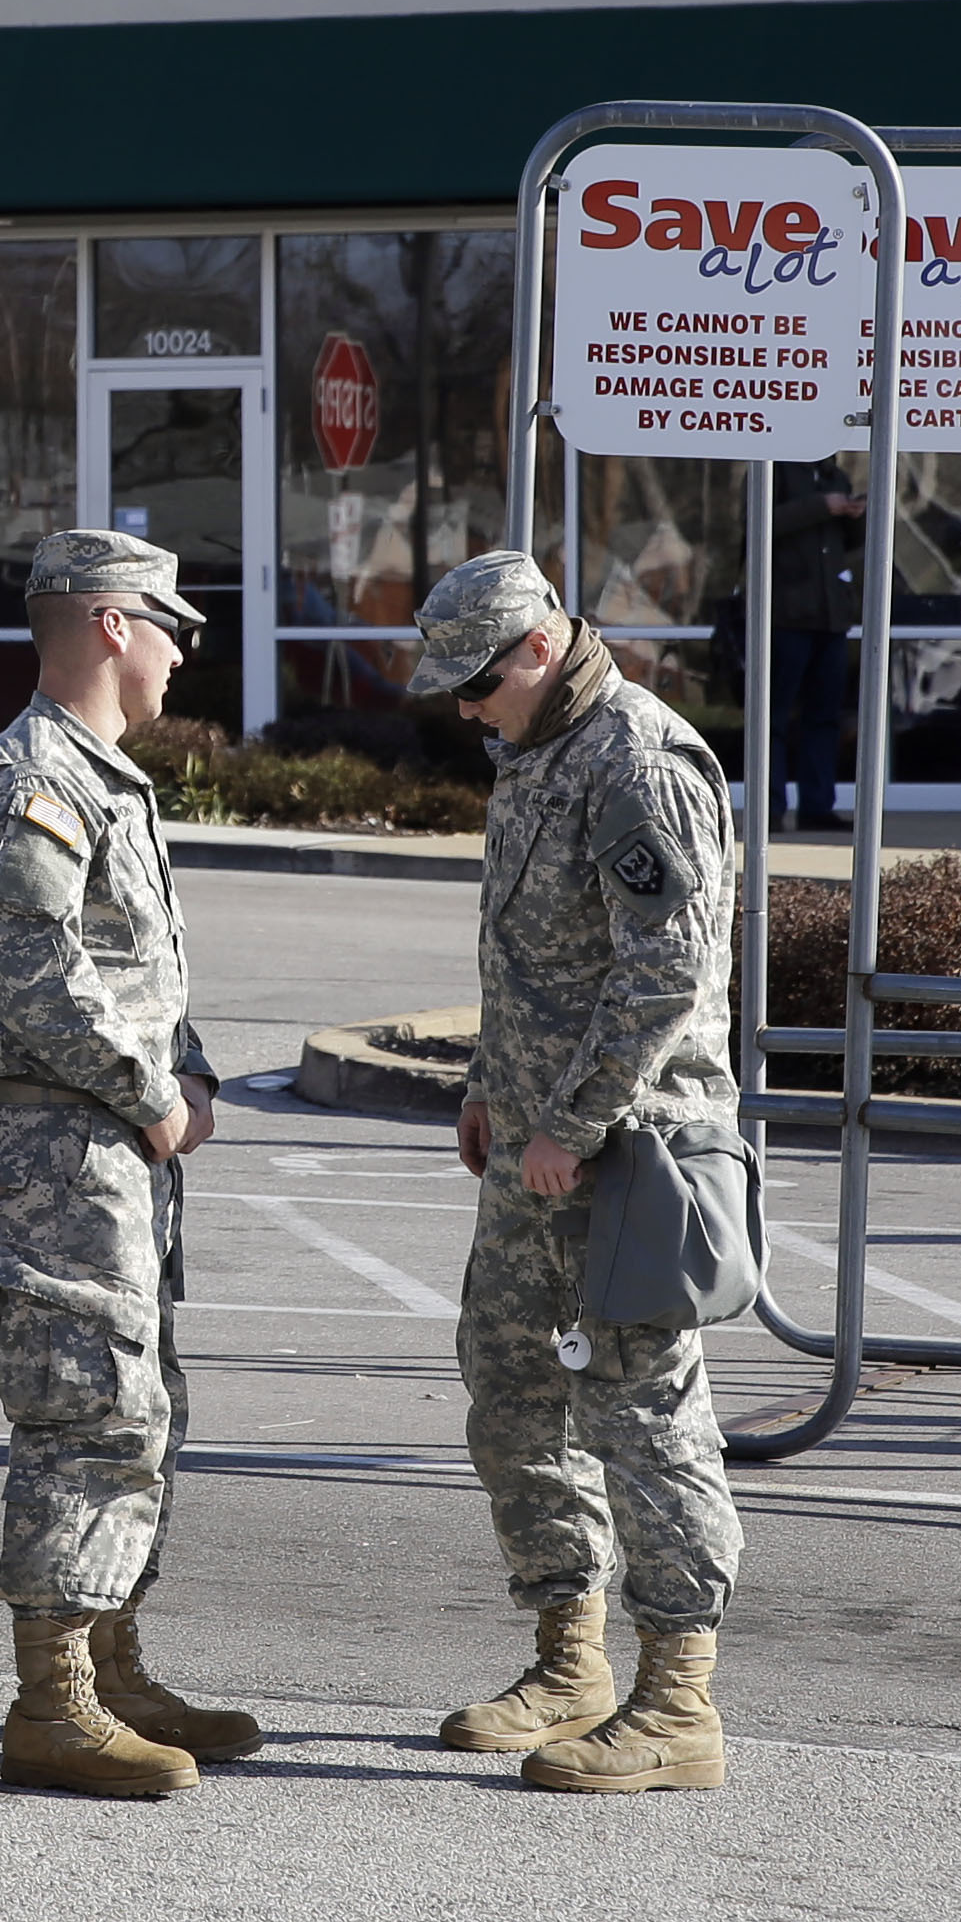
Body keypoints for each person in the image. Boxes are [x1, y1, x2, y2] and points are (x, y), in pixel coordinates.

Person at [407, 546, 745, 1794]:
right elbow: (533, 957)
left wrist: (575, 1121)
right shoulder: (538, 749)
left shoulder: (637, 763)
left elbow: (666, 971)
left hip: (628, 1153)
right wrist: (493, 1086)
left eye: (475, 685)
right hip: (538, 1148)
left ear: (537, 652)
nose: (461, 711)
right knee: (508, 1386)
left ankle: (678, 1703)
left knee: (643, 1413)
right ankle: (570, 1658)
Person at [0, 527, 266, 1799]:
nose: (187, 650)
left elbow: (139, 970)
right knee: (83, 1407)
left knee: (140, 1404)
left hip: (111, 1142)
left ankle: (116, 1658)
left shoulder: (102, 778)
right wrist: (149, 1093)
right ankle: (52, 1700)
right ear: (109, 623)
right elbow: (36, 976)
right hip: (56, 1143)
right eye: (172, 624)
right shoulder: (21, 778)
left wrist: (187, 1075)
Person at [769, 456, 861, 833]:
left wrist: (856, 514)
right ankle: (769, 807)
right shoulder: (772, 469)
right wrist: (820, 507)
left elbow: (851, 543)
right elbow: (759, 524)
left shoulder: (834, 474)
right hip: (784, 618)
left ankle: (817, 806)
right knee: (771, 718)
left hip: (831, 619)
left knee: (824, 718)